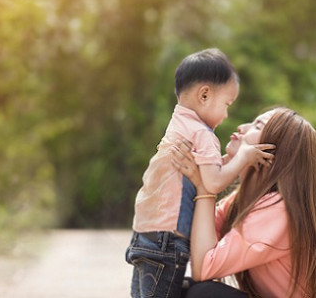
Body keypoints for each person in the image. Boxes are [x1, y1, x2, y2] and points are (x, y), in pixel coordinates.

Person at [125, 48, 273, 298]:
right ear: (204, 94)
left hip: (145, 234)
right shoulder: (203, 134)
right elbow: (213, 183)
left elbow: (208, 171)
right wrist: (245, 157)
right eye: (227, 104)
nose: (226, 115)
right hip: (168, 240)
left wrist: (230, 160)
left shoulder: (179, 124)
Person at [172, 107, 316, 298]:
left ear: (272, 155)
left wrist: (207, 188)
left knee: (204, 294)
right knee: (179, 286)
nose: (242, 127)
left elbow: (204, 267)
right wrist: (204, 173)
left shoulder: (278, 210)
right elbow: (192, 238)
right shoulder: (242, 200)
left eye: (257, 126)